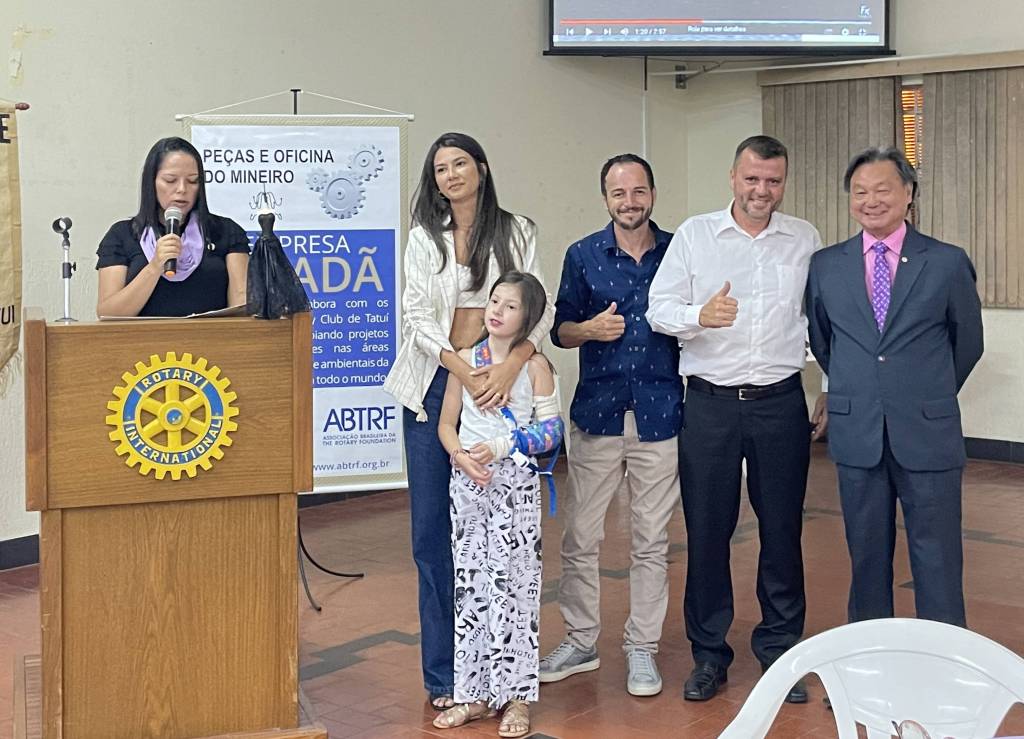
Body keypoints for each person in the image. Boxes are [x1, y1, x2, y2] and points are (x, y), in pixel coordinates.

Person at [646, 135, 822, 704]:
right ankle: (708, 654)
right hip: (711, 405)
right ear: (732, 178)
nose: (761, 191)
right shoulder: (696, 235)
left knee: (782, 530)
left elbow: (821, 321)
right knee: (707, 531)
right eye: (752, 179)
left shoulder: (804, 239)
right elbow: (658, 309)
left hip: (780, 403)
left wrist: (829, 386)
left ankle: (779, 650)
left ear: (783, 183)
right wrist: (700, 315)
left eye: (772, 181)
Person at [382, 133, 554, 711]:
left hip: (503, 382)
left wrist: (512, 364)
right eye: (440, 169)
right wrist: (463, 368)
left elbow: (538, 307)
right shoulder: (424, 237)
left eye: (460, 164)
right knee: (433, 535)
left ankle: (503, 674)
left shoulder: (517, 231)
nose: (451, 175)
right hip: (437, 384)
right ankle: (447, 676)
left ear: (481, 168)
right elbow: (414, 315)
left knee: (501, 541)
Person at [806, 147, 984, 627]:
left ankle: (943, 658)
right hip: (857, 433)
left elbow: (967, 343)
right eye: (859, 192)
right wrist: (863, 388)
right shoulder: (826, 265)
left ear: (908, 193)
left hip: (927, 432)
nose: (870, 200)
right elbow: (824, 341)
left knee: (938, 560)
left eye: (882, 189)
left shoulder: (946, 262)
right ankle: (870, 657)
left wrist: (923, 392)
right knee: (865, 560)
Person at [540, 154, 681, 697]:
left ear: (653, 194)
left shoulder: (678, 251)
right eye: (619, 193)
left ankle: (642, 647)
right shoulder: (582, 255)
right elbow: (560, 331)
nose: (630, 202)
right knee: (581, 537)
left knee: (651, 540)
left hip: (660, 415)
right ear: (606, 199)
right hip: (597, 415)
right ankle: (581, 641)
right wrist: (589, 329)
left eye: (638, 191)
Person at [432, 271, 562, 738]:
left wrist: (505, 446)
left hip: (515, 487)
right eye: (494, 301)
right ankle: (473, 693)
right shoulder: (466, 361)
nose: (497, 311)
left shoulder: (536, 367)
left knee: (515, 589)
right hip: (469, 484)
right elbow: (446, 425)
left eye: (510, 306)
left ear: (528, 318)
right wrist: (461, 457)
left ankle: (517, 697)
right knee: (471, 589)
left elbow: (552, 433)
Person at [96, 137, 248, 317]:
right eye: (170, 180)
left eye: (192, 181)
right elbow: (108, 314)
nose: (182, 189)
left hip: (210, 334)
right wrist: (154, 266)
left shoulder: (225, 231)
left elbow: (240, 306)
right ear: (151, 182)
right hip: (143, 335)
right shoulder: (122, 235)